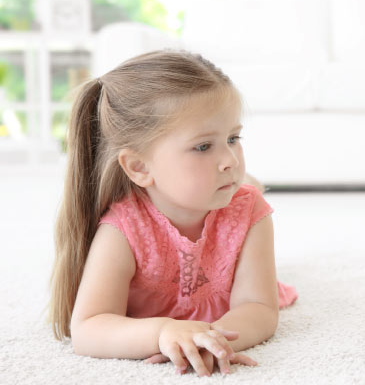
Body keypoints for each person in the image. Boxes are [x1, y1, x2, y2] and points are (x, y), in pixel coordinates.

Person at [49, 50, 297, 377]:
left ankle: (251, 183)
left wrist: (213, 340)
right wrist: (163, 332)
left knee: (248, 190)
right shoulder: (122, 228)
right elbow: (88, 329)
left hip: (234, 225)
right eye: (204, 146)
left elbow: (259, 308)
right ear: (139, 167)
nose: (230, 160)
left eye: (233, 138)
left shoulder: (250, 212)